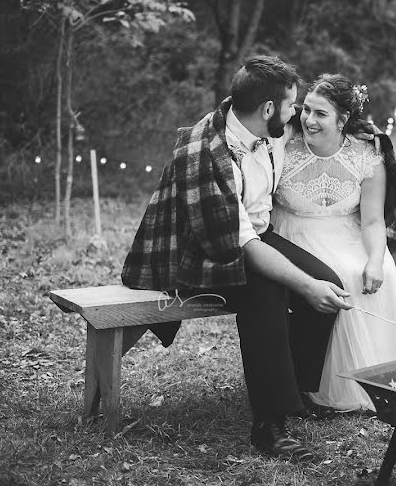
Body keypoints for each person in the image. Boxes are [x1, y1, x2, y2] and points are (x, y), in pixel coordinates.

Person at [122, 56, 352, 463]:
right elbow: (241, 246)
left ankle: (294, 389)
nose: (296, 113)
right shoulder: (206, 153)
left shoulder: (271, 128)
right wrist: (303, 285)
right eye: (290, 105)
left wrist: (366, 134)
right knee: (266, 286)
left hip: (256, 235)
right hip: (203, 250)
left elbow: (327, 120)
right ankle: (270, 423)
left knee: (327, 280)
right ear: (267, 108)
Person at [271, 74, 396, 412]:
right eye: (306, 110)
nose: (308, 119)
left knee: (367, 271)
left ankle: (372, 381)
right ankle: (312, 385)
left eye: (320, 114)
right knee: (337, 276)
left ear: (343, 120)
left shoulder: (366, 156)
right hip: (292, 231)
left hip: (347, 232)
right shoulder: (284, 145)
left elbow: (372, 220)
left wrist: (376, 260)